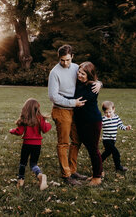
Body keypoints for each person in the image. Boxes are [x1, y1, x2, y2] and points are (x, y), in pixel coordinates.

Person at [48, 44, 101, 185]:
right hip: (61, 110)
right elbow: (53, 96)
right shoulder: (54, 72)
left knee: (76, 141)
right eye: (62, 60)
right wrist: (73, 104)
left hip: (75, 111)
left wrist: (99, 83)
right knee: (63, 143)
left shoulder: (76, 68)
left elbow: (88, 77)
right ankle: (66, 175)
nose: (65, 63)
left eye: (67, 60)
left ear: (72, 57)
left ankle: (72, 170)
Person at [9, 98, 51, 190]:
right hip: (37, 145)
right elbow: (45, 129)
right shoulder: (40, 119)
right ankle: (40, 175)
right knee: (33, 164)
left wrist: (12, 131)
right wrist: (47, 123)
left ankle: (21, 180)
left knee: (23, 162)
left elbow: (19, 132)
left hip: (27, 144)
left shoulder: (25, 119)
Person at [73, 62, 103, 185]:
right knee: (89, 147)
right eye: (79, 72)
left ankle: (97, 177)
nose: (79, 75)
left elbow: (80, 99)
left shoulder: (92, 87)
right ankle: (99, 171)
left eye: (83, 73)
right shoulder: (79, 83)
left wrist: (99, 83)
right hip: (81, 121)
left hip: (92, 121)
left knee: (93, 149)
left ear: (89, 75)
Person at [101, 101, 132, 172]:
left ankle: (98, 161)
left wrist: (126, 127)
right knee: (116, 153)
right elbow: (98, 127)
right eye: (106, 113)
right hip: (106, 140)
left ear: (113, 109)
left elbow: (120, 126)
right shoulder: (103, 119)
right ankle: (118, 166)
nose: (108, 114)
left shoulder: (116, 118)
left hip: (113, 140)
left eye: (110, 112)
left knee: (107, 152)